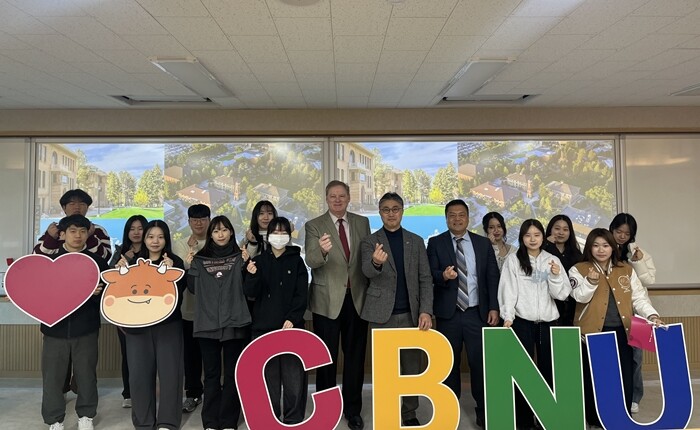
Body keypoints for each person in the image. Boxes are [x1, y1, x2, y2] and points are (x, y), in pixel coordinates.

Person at [569, 228, 663, 428]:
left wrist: (652, 315)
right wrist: (591, 281)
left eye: (605, 245)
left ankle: (622, 416)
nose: (601, 250)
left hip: (624, 331)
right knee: (594, 378)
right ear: (589, 248)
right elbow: (578, 297)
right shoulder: (578, 269)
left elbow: (639, 298)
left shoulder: (626, 269)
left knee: (624, 375)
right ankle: (595, 419)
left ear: (613, 247)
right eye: (596, 245)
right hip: (593, 333)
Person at [359, 193, 433, 427]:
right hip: (381, 315)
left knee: (411, 368)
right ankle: (388, 411)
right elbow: (366, 272)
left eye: (395, 209)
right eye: (386, 209)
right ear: (380, 212)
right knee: (385, 369)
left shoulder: (416, 241)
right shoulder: (370, 241)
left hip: (411, 315)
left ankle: (409, 414)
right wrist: (376, 262)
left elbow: (425, 278)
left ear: (402, 211)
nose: (391, 214)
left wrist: (425, 310)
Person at [426, 199, 500, 428]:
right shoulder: (436, 243)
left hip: (477, 313)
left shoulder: (482, 243)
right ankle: (450, 409)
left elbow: (492, 277)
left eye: (461, 215)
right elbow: (429, 273)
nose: (457, 219)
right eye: (452, 215)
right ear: (446, 218)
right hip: (449, 314)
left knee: (480, 364)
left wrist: (494, 307)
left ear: (468, 218)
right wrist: (443, 276)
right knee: (449, 364)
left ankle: (483, 410)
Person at [304, 180, 370, 430]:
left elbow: (365, 257)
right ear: (326, 198)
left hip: (357, 299)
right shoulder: (314, 225)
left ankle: (353, 411)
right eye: (333, 196)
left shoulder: (362, 222)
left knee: (355, 358)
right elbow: (311, 260)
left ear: (349, 197)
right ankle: (326, 409)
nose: (338, 200)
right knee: (326, 359)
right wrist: (321, 251)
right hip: (326, 301)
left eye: (342, 195)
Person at [498, 219, 569, 430]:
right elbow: (508, 291)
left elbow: (562, 294)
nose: (532, 239)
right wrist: (508, 316)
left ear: (543, 237)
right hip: (522, 322)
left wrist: (555, 275)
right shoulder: (513, 260)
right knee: (524, 373)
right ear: (522, 238)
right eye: (528, 235)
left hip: (547, 323)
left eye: (537, 235)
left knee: (548, 370)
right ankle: (524, 421)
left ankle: (547, 418)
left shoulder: (552, 260)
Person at [116, 220, 186, 430]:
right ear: (145, 239)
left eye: (160, 237)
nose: (155, 241)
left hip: (168, 326)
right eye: (151, 236)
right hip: (138, 328)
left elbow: (181, 293)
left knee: (170, 374)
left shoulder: (175, 262)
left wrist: (171, 273)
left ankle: (168, 422)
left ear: (166, 240)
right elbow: (120, 295)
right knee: (139, 375)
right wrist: (120, 273)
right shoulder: (132, 263)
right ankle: (144, 422)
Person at [41, 214, 109, 430]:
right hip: (54, 328)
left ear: (88, 234)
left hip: (86, 327)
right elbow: (42, 294)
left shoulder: (98, 262)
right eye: (72, 231)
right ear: (62, 234)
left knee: (86, 375)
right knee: (52, 377)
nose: (78, 235)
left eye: (82, 231)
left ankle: (86, 415)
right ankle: (54, 419)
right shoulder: (48, 262)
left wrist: (96, 294)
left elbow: (108, 296)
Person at [186, 215, 251, 430]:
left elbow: (250, 288)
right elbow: (193, 289)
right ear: (210, 235)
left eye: (224, 230)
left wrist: (247, 264)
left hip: (235, 322)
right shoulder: (199, 258)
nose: (220, 234)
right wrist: (190, 266)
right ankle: (211, 422)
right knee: (212, 375)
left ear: (231, 232)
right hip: (207, 324)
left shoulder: (241, 257)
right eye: (216, 231)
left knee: (232, 374)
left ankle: (229, 421)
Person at [244, 217, 308, 424]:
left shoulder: (297, 261)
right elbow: (251, 293)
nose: (279, 236)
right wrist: (252, 275)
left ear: (289, 236)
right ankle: (270, 419)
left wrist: (293, 318)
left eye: (283, 233)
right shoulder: (259, 261)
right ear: (268, 236)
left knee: (293, 377)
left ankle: (293, 419)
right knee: (268, 378)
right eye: (275, 232)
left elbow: (302, 294)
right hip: (263, 328)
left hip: (291, 327)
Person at [609, 213, 656, 414]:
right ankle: (614, 395)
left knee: (636, 358)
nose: (622, 236)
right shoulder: (603, 249)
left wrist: (638, 262)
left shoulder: (640, 253)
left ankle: (634, 397)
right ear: (612, 230)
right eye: (618, 231)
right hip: (612, 314)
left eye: (627, 233)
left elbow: (649, 281)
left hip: (637, 313)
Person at [172, 204, 210, 414]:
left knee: (212, 356)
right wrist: (192, 250)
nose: (199, 223)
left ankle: (213, 393)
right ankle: (193, 393)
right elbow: (183, 270)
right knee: (191, 355)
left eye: (203, 219)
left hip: (213, 311)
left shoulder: (217, 241)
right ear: (188, 222)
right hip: (188, 310)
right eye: (194, 219)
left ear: (209, 220)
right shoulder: (180, 245)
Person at [108, 214, 148, 409]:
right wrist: (127, 259)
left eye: (140, 228)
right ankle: (129, 393)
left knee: (148, 354)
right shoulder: (120, 251)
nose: (136, 232)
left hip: (149, 309)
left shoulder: (153, 251)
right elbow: (109, 275)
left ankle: (147, 391)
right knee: (128, 353)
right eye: (132, 229)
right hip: (125, 311)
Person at [35, 189, 112, 261]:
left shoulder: (98, 230)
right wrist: (51, 238)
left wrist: (90, 237)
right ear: (64, 208)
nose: (77, 207)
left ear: (87, 207)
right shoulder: (54, 230)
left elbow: (105, 258)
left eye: (82, 204)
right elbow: (37, 258)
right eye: (72, 204)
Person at [544, 214, 583, 326]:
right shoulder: (542, 249)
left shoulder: (576, 253)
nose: (561, 232)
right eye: (557, 228)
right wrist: (547, 244)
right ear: (550, 230)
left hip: (571, 306)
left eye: (565, 229)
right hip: (549, 303)